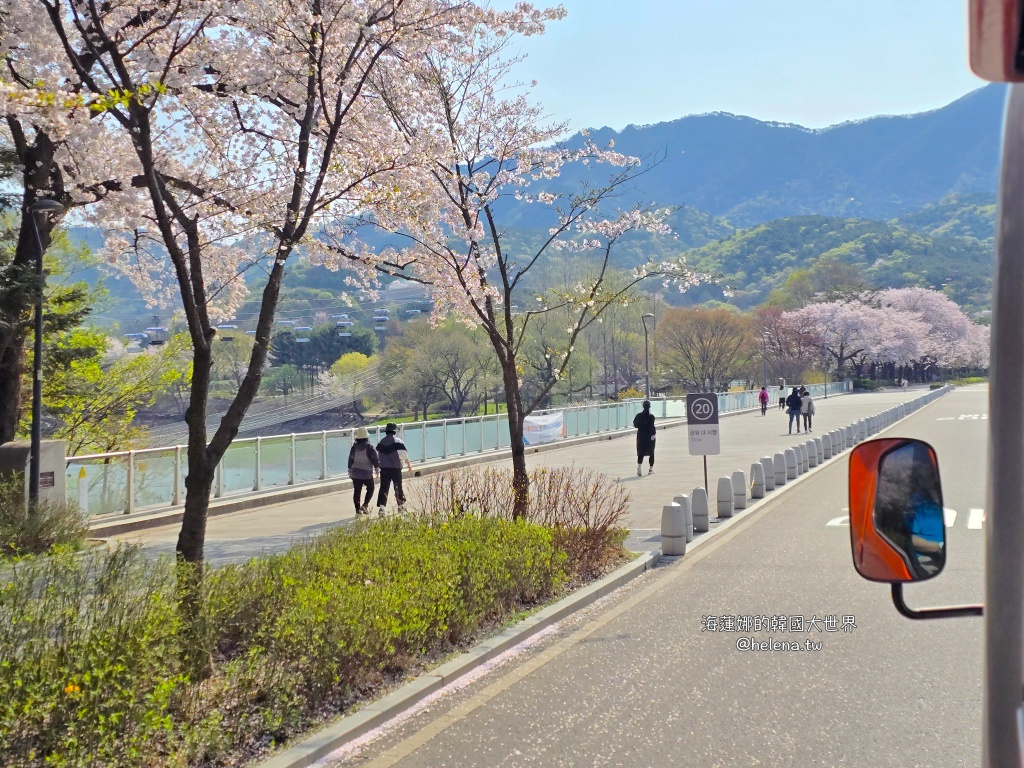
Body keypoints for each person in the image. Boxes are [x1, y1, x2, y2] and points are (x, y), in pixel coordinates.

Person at [376, 422, 412, 515]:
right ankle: (400, 506)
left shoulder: (381, 442)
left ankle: (382, 508)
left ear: (386, 431)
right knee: (397, 487)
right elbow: (403, 455)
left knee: (384, 487)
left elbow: (378, 456)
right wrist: (408, 464)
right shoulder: (398, 442)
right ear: (394, 431)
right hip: (395, 468)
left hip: (384, 468)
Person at [348, 426, 379, 515]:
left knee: (357, 491)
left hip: (355, 472)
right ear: (367, 436)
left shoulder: (354, 447)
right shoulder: (370, 447)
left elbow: (350, 459)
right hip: (366, 472)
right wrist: (377, 469)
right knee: (371, 488)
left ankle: (357, 510)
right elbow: (375, 459)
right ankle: (365, 505)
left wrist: (350, 470)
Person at [633, 400, 656, 476]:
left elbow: (635, 425)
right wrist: (653, 434)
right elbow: (652, 427)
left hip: (641, 436)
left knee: (641, 452)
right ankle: (651, 468)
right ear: (649, 407)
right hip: (649, 437)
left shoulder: (638, 416)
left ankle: (639, 465)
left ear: (643, 406)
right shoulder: (651, 417)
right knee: (651, 452)